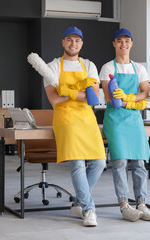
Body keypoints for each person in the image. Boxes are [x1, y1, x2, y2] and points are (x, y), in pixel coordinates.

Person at [43, 26, 106, 227]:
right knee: (78, 164)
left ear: (81, 43)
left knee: (99, 163)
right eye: (69, 40)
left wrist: (68, 92)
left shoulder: (89, 65)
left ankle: (78, 202)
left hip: (87, 119)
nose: (73, 44)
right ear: (63, 42)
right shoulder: (52, 66)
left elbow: (93, 98)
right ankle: (89, 210)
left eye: (77, 40)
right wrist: (81, 90)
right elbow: (53, 99)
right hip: (66, 119)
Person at [99, 28, 150, 222]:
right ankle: (124, 205)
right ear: (114, 43)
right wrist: (125, 101)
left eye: (127, 41)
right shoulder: (107, 68)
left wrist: (129, 98)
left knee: (139, 163)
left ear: (131, 44)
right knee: (120, 162)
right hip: (115, 119)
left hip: (134, 119)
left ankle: (142, 204)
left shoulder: (139, 68)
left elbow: (146, 92)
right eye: (119, 41)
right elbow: (108, 96)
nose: (123, 44)